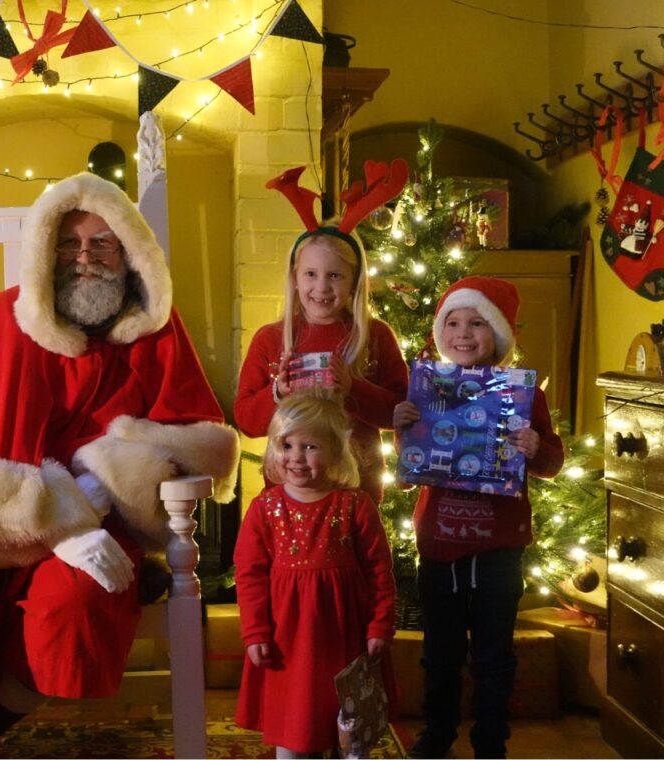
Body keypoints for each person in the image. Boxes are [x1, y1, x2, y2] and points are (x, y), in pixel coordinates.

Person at [0, 172, 241, 759]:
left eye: (101, 244)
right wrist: (46, 519)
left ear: (129, 254)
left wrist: (87, 503)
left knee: (76, 600)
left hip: (99, 525)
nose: (84, 258)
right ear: (44, 251)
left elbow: (194, 444)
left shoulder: (153, 332)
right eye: (69, 243)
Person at [392, 275, 565, 759]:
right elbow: (407, 478)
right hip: (440, 548)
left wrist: (535, 449)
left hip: (499, 551)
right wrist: (402, 433)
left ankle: (491, 741)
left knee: (494, 655)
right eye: (452, 321)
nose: (463, 332)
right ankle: (438, 733)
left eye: (477, 322)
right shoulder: (426, 393)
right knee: (440, 653)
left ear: (499, 334)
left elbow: (552, 463)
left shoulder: (524, 394)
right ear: (439, 331)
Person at [234, 393, 397, 758]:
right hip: (287, 641)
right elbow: (249, 575)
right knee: (294, 731)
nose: (295, 456)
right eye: (286, 445)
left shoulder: (355, 505)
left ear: (337, 453)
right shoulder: (264, 508)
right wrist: (255, 630)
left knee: (349, 729)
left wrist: (380, 625)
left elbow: (379, 571)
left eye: (310, 446)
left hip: (345, 637)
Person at [233, 170, 409, 501]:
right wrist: (277, 392)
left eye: (335, 275)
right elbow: (246, 420)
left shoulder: (375, 336)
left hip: (359, 490)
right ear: (295, 278)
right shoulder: (271, 339)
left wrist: (352, 388)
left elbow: (400, 412)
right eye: (311, 274)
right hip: (288, 495)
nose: (322, 287)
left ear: (354, 282)